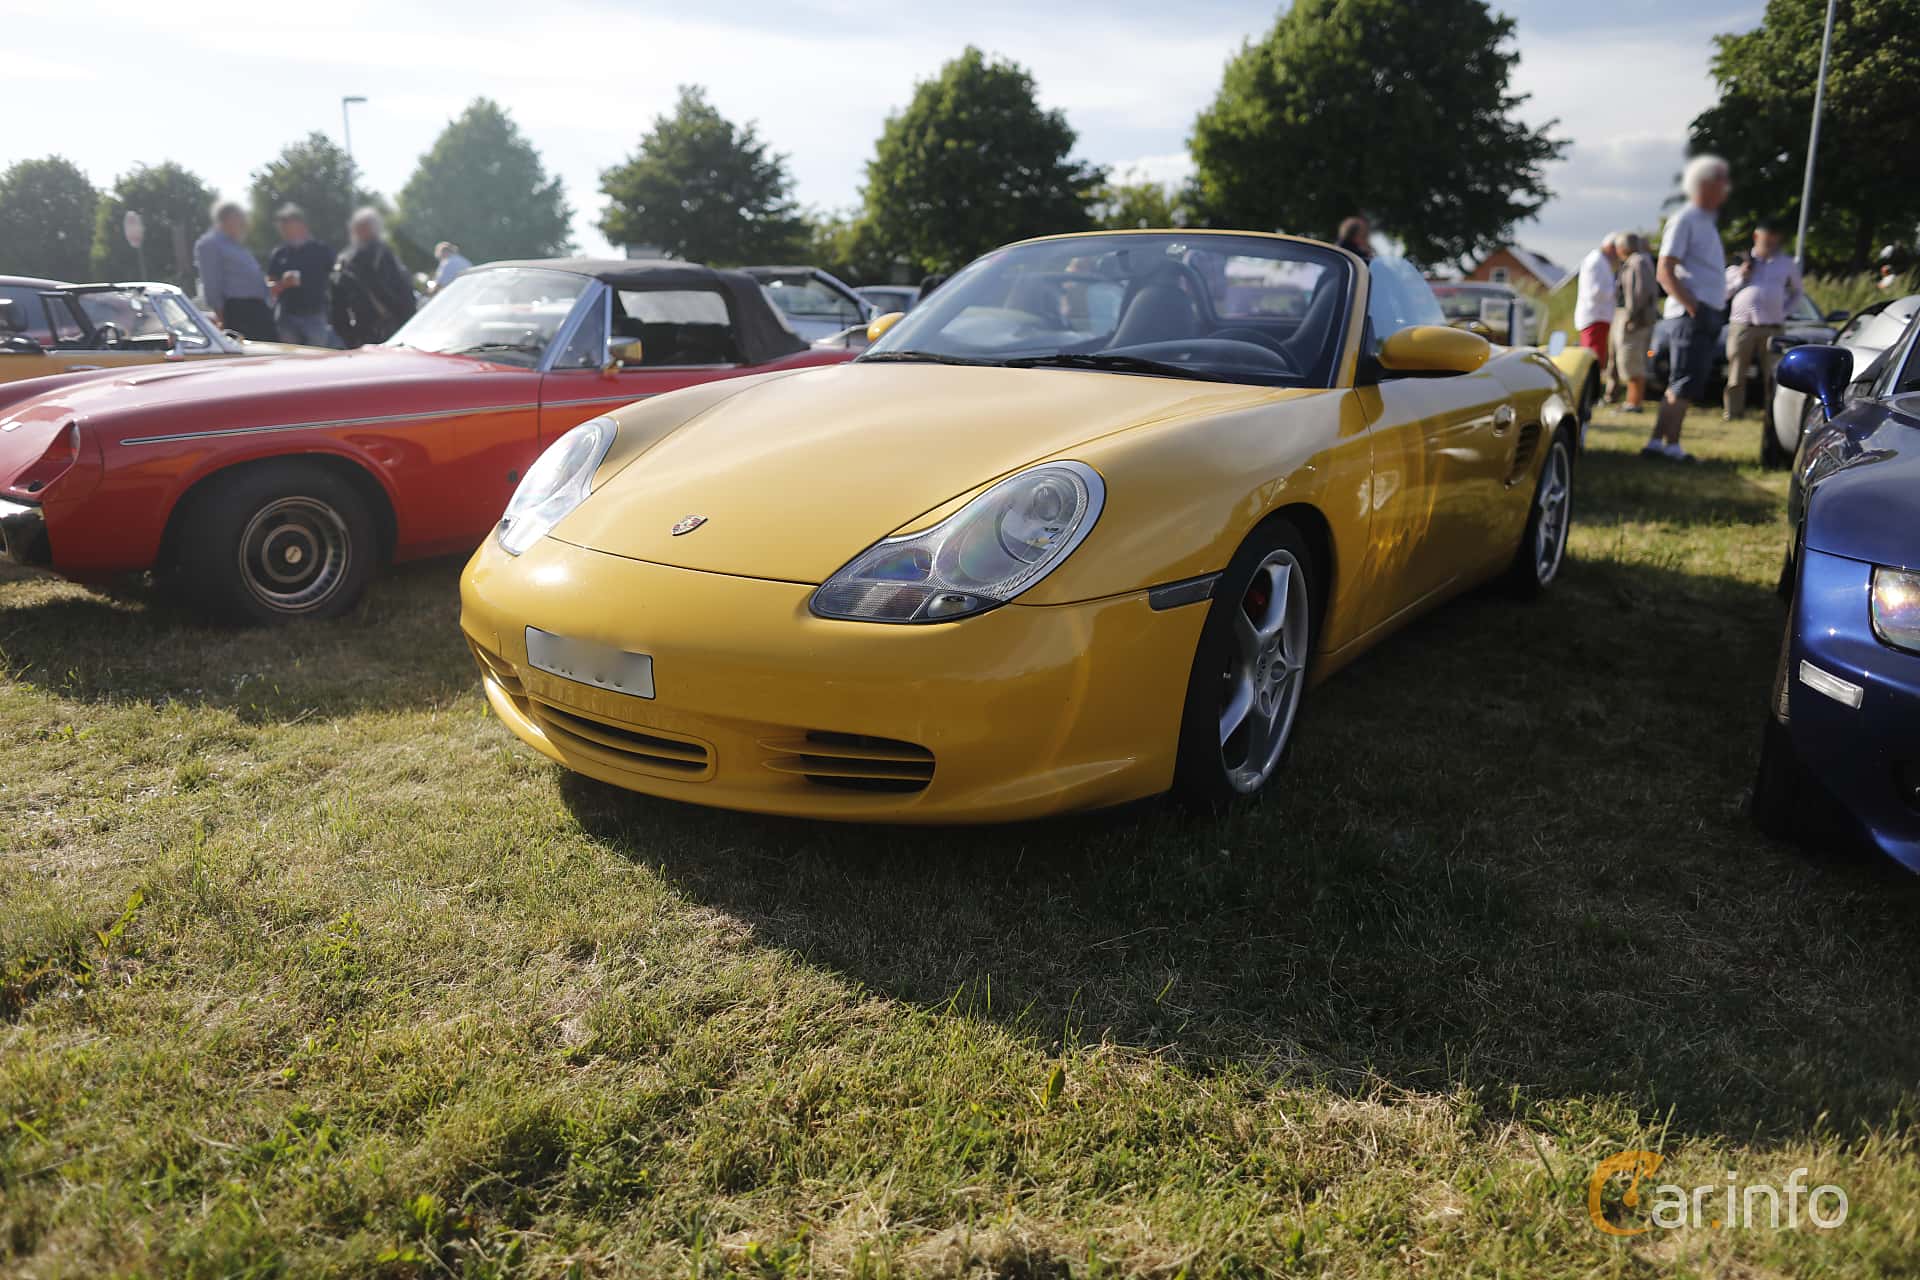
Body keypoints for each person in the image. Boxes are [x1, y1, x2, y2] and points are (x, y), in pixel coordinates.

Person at [1648, 154, 1731, 463]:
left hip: (1702, 311)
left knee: (1683, 381)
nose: (1726, 188)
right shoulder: (1685, 219)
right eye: (1722, 180)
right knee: (1685, 382)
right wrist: (1693, 306)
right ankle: (1671, 445)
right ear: (1706, 184)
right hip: (1691, 314)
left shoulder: (1703, 221)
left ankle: (1658, 443)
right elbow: (1665, 268)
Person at [1722, 219, 1802, 420]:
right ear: (1757, 237)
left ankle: (1772, 415)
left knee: (1773, 374)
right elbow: (1724, 293)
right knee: (1736, 371)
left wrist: (1783, 312)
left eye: (1775, 241)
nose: (1772, 245)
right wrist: (1742, 275)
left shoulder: (1786, 263)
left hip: (1773, 326)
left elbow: (1797, 292)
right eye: (1768, 241)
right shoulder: (1739, 261)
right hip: (1743, 325)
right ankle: (1733, 412)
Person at [330, 208, 416, 348]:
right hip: (382, 331)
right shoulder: (352, 259)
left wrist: (349, 338)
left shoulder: (347, 259)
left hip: (371, 333)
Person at [193, 200, 274, 341]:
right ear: (228, 219)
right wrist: (221, 318)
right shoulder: (210, 244)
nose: (243, 225)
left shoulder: (235, 245)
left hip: (258, 311)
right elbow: (211, 284)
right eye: (240, 219)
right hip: (239, 313)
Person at [264, 205, 340, 348]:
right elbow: (269, 288)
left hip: (315, 316)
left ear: (302, 226)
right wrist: (283, 284)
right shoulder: (279, 254)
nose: (285, 232)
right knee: (291, 361)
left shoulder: (321, 250)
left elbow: (338, 276)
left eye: (288, 228)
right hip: (287, 318)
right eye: (283, 228)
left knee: (317, 359)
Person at [1609, 234, 1659, 413]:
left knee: (1632, 360)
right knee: (1629, 361)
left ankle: (1634, 403)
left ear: (1623, 247)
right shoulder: (1639, 261)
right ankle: (1632, 401)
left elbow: (1640, 292)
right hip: (1631, 317)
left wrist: (1631, 316)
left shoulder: (1637, 262)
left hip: (1634, 321)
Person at [1574, 232, 1623, 362]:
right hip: (1595, 316)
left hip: (1599, 316)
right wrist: (1617, 291)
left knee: (1598, 357)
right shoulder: (1596, 262)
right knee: (1593, 359)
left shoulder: (1601, 261)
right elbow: (1595, 292)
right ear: (1611, 247)